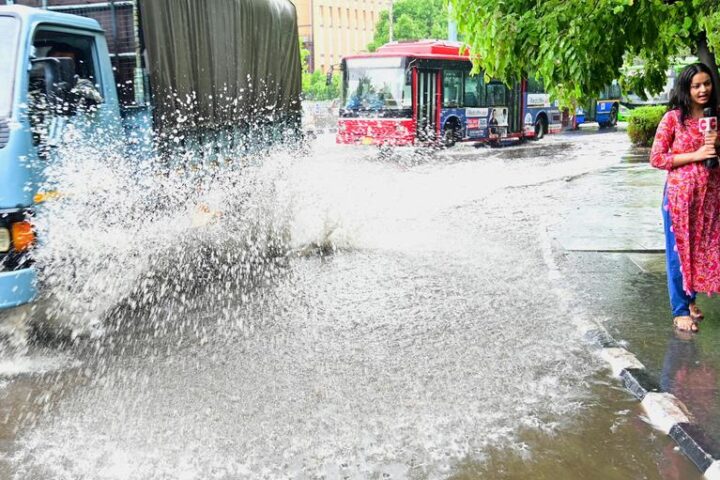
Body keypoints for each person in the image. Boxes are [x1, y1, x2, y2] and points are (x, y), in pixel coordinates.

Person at [650, 63, 720, 332]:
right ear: (686, 89)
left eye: (707, 84)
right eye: (696, 85)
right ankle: (679, 311)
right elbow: (656, 158)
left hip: (710, 199)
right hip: (680, 199)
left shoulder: (715, 117)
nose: (703, 90)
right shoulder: (673, 119)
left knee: (702, 251)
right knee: (679, 254)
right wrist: (696, 155)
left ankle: (690, 300)